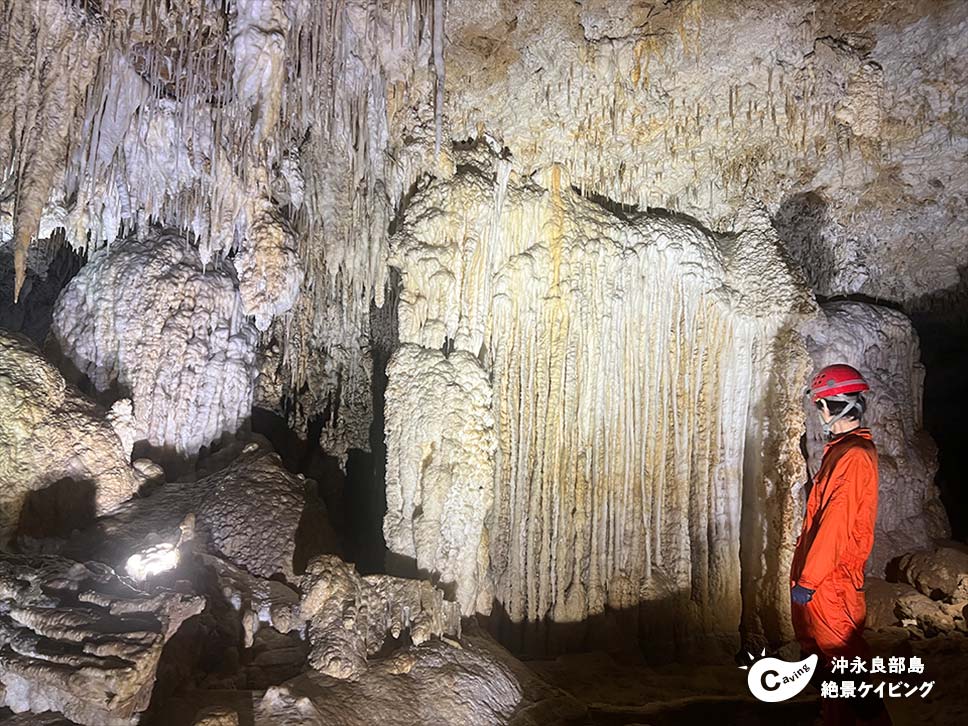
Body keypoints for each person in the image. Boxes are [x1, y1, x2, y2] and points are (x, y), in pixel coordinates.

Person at [789, 363, 893, 725]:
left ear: (838, 405)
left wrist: (809, 580)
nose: (820, 413)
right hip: (825, 580)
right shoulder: (842, 451)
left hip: (831, 582)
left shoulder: (853, 457)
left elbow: (836, 525)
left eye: (822, 405)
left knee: (848, 673)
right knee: (832, 675)